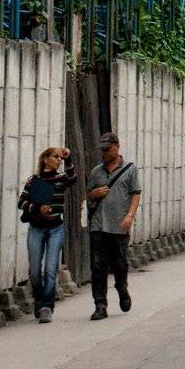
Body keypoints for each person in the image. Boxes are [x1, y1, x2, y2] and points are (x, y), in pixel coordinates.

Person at [85, 131, 141, 321]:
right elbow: (88, 195)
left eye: (108, 149)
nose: (105, 153)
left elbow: (135, 193)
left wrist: (130, 216)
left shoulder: (130, 170)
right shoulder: (96, 172)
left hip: (119, 225)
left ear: (117, 146)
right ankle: (100, 305)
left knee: (119, 264)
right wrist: (94, 194)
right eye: (102, 150)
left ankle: (122, 289)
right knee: (98, 266)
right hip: (98, 225)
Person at [19, 144, 77, 323]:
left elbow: (73, 178)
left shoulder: (60, 179)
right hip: (36, 228)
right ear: (45, 159)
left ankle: (46, 307)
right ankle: (39, 298)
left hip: (55, 229)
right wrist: (36, 208)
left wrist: (68, 158)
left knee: (50, 270)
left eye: (60, 158)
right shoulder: (33, 180)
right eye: (55, 157)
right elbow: (21, 202)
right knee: (35, 271)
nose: (58, 160)